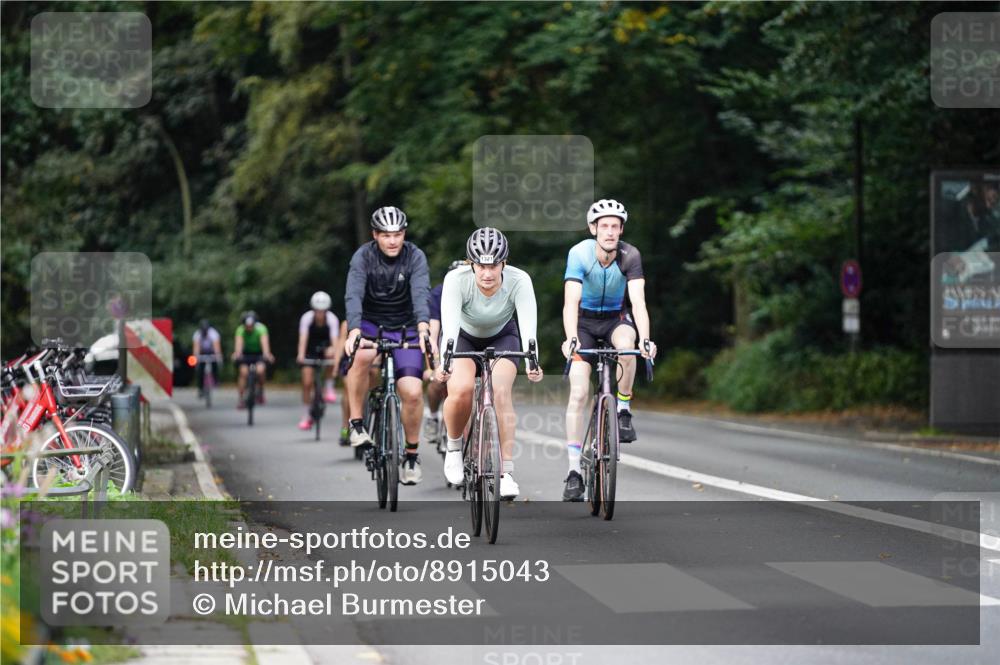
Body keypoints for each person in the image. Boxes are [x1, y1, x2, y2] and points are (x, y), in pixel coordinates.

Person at [560, 199, 657, 502]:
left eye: (615, 226)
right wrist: (571, 337)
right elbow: (570, 302)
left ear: (621, 230)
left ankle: (624, 409)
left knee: (628, 349)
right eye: (604, 226)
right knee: (578, 392)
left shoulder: (630, 255)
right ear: (593, 229)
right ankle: (574, 471)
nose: (610, 232)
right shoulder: (579, 253)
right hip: (585, 324)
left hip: (616, 320)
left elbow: (638, 303)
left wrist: (646, 338)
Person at [436, 228, 543, 500]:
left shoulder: (520, 280)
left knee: (501, 392)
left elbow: (528, 326)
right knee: (460, 391)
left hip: (503, 336)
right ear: (471, 264)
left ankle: (506, 472)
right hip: (464, 337)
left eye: (493, 265)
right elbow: (449, 327)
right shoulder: (455, 280)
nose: (487, 273)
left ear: (503, 264)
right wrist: (444, 361)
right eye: (481, 266)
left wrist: (533, 359)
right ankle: (453, 447)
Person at [343, 206, 434, 485]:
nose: (393, 241)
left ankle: (410, 455)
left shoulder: (415, 256)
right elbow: (354, 293)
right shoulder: (363, 257)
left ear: (404, 235)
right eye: (386, 235)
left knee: (413, 391)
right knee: (362, 353)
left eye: (398, 235)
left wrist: (423, 327)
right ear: (375, 236)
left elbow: (421, 293)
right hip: (371, 322)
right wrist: (354, 329)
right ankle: (357, 424)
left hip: (406, 326)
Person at [421, 260, 467, 456]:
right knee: (437, 381)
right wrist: (433, 364)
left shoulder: (478, 290)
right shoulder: (439, 293)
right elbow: (433, 332)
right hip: (443, 339)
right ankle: (432, 416)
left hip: (467, 340)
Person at [295, 291, 341, 431]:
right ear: (313, 309)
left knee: (332, 356)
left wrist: (334, 353)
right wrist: (301, 355)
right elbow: (303, 338)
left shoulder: (332, 319)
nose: (320, 313)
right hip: (310, 351)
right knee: (307, 383)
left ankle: (329, 387)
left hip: (326, 350)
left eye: (323, 311)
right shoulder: (307, 318)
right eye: (317, 310)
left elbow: (335, 341)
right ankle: (305, 416)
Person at [231, 311, 275, 408]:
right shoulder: (240, 330)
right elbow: (239, 345)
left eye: (251, 325)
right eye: (247, 326)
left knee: (260, 371)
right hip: (246, 354)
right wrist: (237, 354)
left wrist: (267, 354)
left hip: (259, 354)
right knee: (243, 373)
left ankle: (260, 390)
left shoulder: (261, 329)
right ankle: (241, 399)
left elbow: (265, 345)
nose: (249, 328)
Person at [192, 319, 222, 396]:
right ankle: (200, 388)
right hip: (202, 352)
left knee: (215, 364)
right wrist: (196, 357)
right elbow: (196, 348)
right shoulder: (197, 334)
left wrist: (217, 355)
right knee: (200, 370)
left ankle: (216, 379)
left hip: (212, 351)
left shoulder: (213, 333)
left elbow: (216, 347)